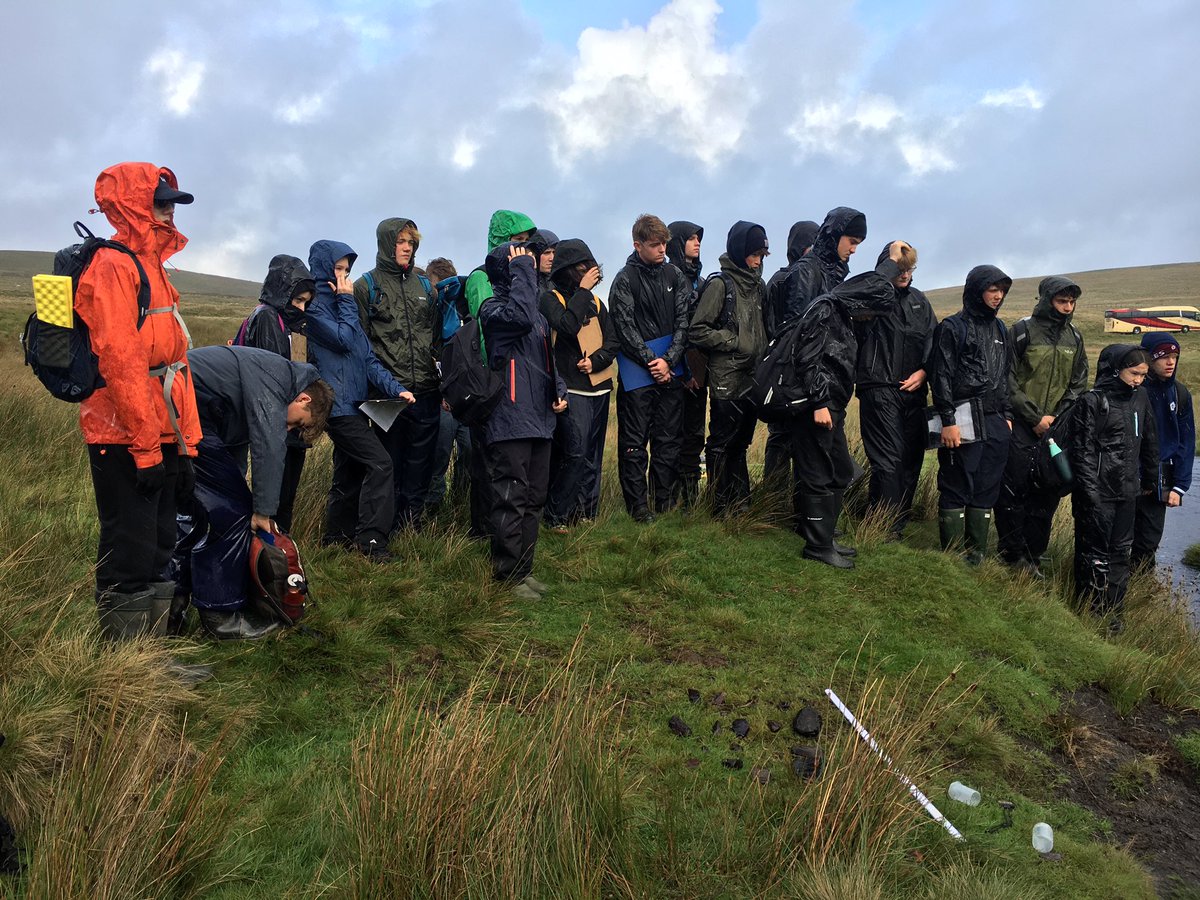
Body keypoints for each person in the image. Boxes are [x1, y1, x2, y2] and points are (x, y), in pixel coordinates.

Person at [76, 163, 201, 641]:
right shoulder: (113, 265)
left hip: (161, 430)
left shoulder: (152, 267)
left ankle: (153, 655)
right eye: (161, 202)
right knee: (130, 547)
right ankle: (124, 670)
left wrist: (186, 446)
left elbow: (177, 366)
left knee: (160, 543)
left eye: (172, 204)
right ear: (134, 205)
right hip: (121, 434)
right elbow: (123, 365)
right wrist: (146, 449)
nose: (170, 212)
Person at [172, 345, 332, 639]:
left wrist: (238, 482)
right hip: (184, 412)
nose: (289, 428)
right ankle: (220, 615)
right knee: (231, 513)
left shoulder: (269, 374)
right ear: (303, 398)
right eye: (298, 421)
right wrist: (262, 510)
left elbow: (232, 433)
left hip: (180, 410)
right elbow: (268, 444)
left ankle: (172, 608)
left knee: (196, 513)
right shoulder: (277, 378)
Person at [788, 241, 913, 567]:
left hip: (834, 404)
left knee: (841, 470)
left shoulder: (843, 314)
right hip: (818, 406)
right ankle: (817, 547)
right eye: (871, 309)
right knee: (818, 473)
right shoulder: (827, 310)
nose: (871, 316)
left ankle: (826, 539)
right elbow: (807, 359)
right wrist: (819, 403)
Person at [305, 240, 413, 560]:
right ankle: (372, 542)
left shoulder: (342, 307)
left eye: (347, 271)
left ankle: (336, 538)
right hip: (336, 407)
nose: (344, 277)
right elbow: (343, 339)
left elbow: (368, 360)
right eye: (338, 269)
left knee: (349, 473)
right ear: (324, 267)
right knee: (380, 464)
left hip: (357, 406)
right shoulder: (315, 308)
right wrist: (347, 300)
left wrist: (396, 390)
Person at [479, 242, 568, 598]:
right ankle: (506, 576)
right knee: (511, 498)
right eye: (522, 262)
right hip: (509, 418)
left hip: (540, 418)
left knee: (534, 498)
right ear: (509, 269)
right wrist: (522, 272)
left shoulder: (540, 318)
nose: (532, 266)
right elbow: (518, 317)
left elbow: (548, 361)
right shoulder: (492, 309)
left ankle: (523, 569)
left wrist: (558, 389)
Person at [993, 277, 1088, 575]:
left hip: (1056, 430)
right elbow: (1006, 377)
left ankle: (1034, 556)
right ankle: (1011, 553)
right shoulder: (1021, 331)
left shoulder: (1075, 337)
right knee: (1013, 489)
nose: (1067, 307)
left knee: (1047, 494)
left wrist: (1057, 419)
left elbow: (1078, 383)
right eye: (1062, 301)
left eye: (1071, 302)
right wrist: (1034, 417)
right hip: (1022, 424)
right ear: (1048, 299)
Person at [354, 218, 442, 532]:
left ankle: (411, 524)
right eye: (401, 242)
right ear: (386, 243)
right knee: (387, 463)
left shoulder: (424, 287)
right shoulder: (366, 286)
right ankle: (382, 527)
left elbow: (433, 338)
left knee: (420, 464)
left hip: (426, 392)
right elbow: (360, 345)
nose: (407, 248)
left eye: (412, 243)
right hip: (388, 395)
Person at [930, 265, 1015, 564]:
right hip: (962, 416)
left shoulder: (1001, 329)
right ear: (977, 290)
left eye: (1002, 290)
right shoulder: (952, 327)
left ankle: (976, 556)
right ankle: (952, 559)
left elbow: (1005, 375)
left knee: (987, 487)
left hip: (995, 419)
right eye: (993, 289)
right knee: (957, 483)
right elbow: (940, 376)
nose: (998, 296)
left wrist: (1006, 414)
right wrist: (948, 420)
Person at [1069, 345, 1157, 631]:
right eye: (1134, 374)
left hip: (1128, 490)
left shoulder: (1141, 397)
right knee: (1093, 553)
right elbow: (1081, 451)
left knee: (1121, 553)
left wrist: (1153, 480)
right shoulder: (1091, 401)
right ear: (1116, 369)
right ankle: (1089, 611)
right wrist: (1089, 492)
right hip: (1097, 492)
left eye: (1143, 375)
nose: (1138, 380)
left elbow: (1149, 440)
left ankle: (1113, 613)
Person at [610, 214, 691, 521]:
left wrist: (668, 360)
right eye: (655, 245)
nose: (662, 250)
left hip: (670, 373)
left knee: (668, 440)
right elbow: (624, 325)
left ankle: (664, 501)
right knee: (634, 443)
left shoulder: (674, 274)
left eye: (664, 244)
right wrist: (650, 360)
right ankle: (638, 507)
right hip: (636, 377)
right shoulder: (624, 279)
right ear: (637, 245)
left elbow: (684, 320)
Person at [463, 209, 537, 539]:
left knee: (504, 465)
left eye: (526, 243)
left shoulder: (523, 281)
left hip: (518, 379)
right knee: (484, 461)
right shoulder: (482, 277)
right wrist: (488, 373)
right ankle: (483, 529)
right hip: (490, 376)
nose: (523, 249)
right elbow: (484, 327)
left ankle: (503, 530)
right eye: (516, 241)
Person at [855, 242, 937, 539]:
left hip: (913, 392)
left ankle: (895, 524)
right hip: (878, 387)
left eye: (910, 268)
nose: (905, 274)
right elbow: (858, 305)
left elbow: (933, 341)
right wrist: (883, 273)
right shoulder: (873, 297)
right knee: (888, 460)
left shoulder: (919, 301)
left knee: (911, 459)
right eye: (900, 268)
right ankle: (881, 528)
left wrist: (925, 371)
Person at [687, 221, 769, 516]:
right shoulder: (720, 284)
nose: (758, 261)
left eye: (762, 255)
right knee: (721, 442)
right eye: (754, 254)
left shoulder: (758, 286)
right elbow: (697, 330)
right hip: (725, 377)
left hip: (752, 375)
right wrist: (733, 341)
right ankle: (718, 506)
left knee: (741, 443)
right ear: (739, 251)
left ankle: (741, 502)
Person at [539, 238, 618, 529]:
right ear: (568, 269)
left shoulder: (597, 303)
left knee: (593, 456)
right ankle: (557, 515)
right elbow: (567, 324)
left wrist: (596, 362)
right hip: (570, 390)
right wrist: (583, 290)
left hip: (599, 388)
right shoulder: (549, 299)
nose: (590, 271)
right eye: (583, 267)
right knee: (573, 453)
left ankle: (586, 514)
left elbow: (613, 341)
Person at [235, 254, 316, 532]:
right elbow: (273, 376)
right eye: (298, 300)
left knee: (286, 492)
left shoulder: (289, 323)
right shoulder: (268, 318)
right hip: (277, 422)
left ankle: (280, 552)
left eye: (306, 302)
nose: (302, 308)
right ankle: (272, 554)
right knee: (276, 495)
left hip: (288, 421)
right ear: (283, 293)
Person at [762, 220, 819, 492]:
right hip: (784, 370)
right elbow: (774, 327)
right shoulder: (783, 280)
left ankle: (792, 505)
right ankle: (774, 503)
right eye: (812, 245)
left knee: (799, 439)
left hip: (798, 369)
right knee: (782, 436)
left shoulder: (779, 279)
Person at [1131, 334, 1194, 571]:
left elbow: (1185, 443)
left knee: (1148, 544)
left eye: (1175, 357)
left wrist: (1179, 486)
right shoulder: (1133, 390)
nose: (1171, 362)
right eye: (1164, 357)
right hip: (1128, 477)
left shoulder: (1180, 394)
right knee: (1118, 540)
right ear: (1149, 358)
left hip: (1159, 482)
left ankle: (1141, 593)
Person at [423, 257, 471, 515]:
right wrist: (441, 391)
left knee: (469, 454)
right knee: (438, 457)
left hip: (466, 401)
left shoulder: (466, 311)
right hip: (441, 400)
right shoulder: (429, 316)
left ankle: (461, 504)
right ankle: (433, 509)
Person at [667, 219, 706, 507]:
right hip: (672, 369)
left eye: (698, 239)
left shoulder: (702, 282)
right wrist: (683, 369)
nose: (697, 243)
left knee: (694, 433)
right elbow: (674, 328)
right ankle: (667, 496)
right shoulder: (666, 277)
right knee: (671, 435)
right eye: (691, 238)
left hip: (699, 370)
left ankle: (691, 498)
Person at [531, 228, 559, 293]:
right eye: (546, 253)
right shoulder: (525, 281)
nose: (552, 258)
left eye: (554, 252)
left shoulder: (562, 281)